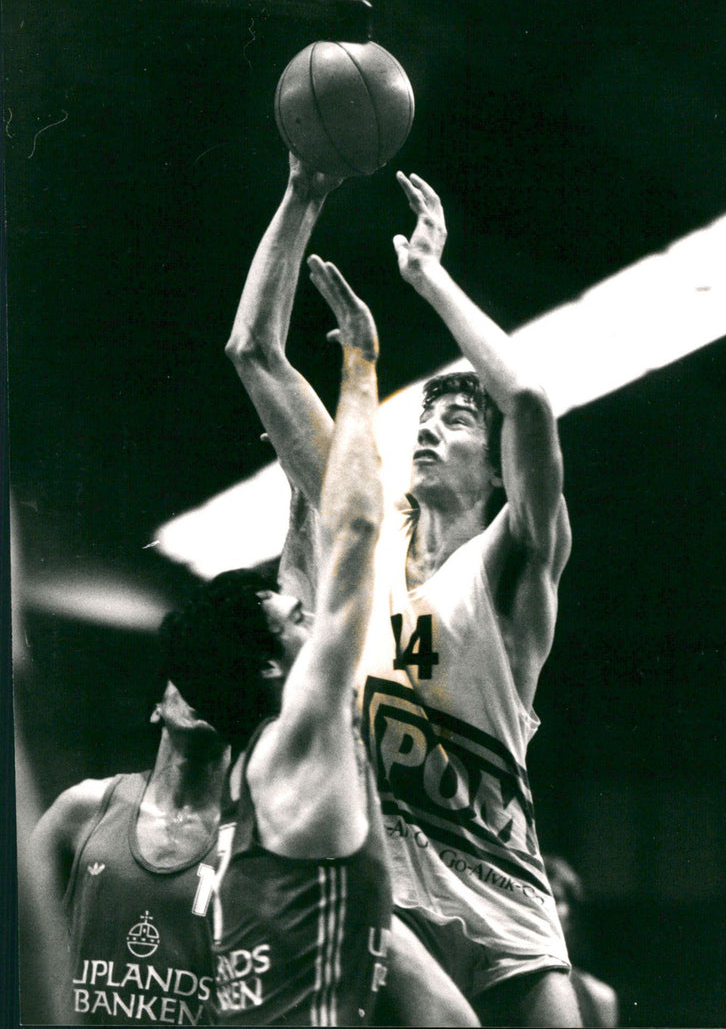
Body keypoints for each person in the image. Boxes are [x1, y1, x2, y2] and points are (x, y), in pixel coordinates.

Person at [225, 155, 581, 1028]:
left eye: (458, 420)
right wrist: (302, 193)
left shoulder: (511, 565)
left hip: (511, 899)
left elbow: (529, 398)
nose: (430, 426)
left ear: (494, 473)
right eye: (424, 416)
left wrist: (427, 277)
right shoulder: (363, 546)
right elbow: (255, 353)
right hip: (387, 889)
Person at [166, 258, 394, 1026]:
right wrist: (359, 363)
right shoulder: (303, 736)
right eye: (293, 619)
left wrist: (301, 484)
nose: (309, 614)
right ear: (271, 663)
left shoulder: (250, 776)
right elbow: (360, 528)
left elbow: (250, 349)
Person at [29, 669, 232, 1025]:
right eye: (192, 671)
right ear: (157, 707)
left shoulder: (246, 838)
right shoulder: (83, 808)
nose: (205, 686)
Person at [544, 856, 619, 1028]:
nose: (543, 905)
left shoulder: (599, 997)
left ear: (571, 915)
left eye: (554, 898)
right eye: (534, 896)